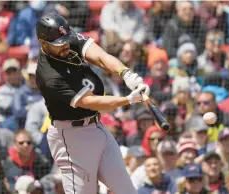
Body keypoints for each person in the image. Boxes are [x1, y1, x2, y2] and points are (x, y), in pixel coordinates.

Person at [35, 13, 150, 194]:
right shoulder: (48, 75)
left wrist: (126, 74)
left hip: (97, 128)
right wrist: (128, 100)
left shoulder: (64, 37)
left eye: (65, 40)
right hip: (71, 139)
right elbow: (90, 101)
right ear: (43, 43)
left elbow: (101, 57)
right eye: (59, 44)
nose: (65, 46)